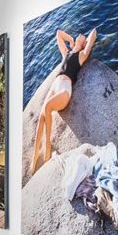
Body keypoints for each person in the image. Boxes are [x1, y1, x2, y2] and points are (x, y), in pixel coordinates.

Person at [30, 27, 98, 176]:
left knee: (47, 107)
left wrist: (89, 37)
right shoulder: (66, 53)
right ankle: (35, 156)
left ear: (83, 42)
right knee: (41, 117)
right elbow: (58, 34)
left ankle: (46, 150)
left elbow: (92, 37)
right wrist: (71, 40)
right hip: (55, 86)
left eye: (82, 36)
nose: (80, 34)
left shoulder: (81, 55)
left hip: (64, 91)